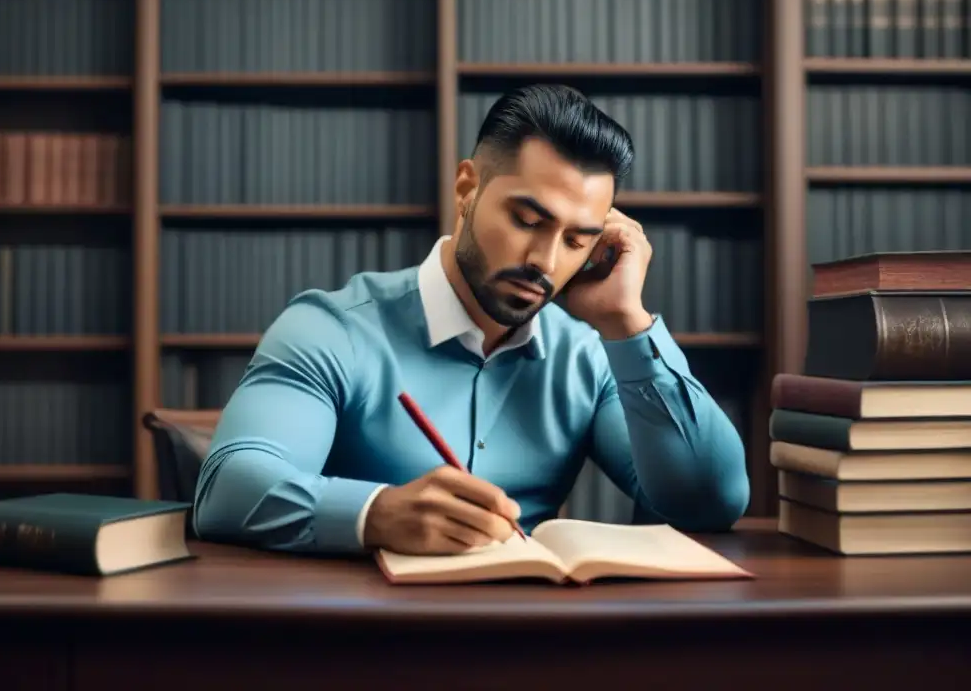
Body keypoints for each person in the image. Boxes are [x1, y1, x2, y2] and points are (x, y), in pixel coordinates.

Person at [193, 83, 750, 556]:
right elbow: (228, 487)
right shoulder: (332, 328)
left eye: (578, 239)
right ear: (467, 189)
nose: (546, 261)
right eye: (528, 219)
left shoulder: (589, 357)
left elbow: (709, 502)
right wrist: (375, 514)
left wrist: (627, 323)